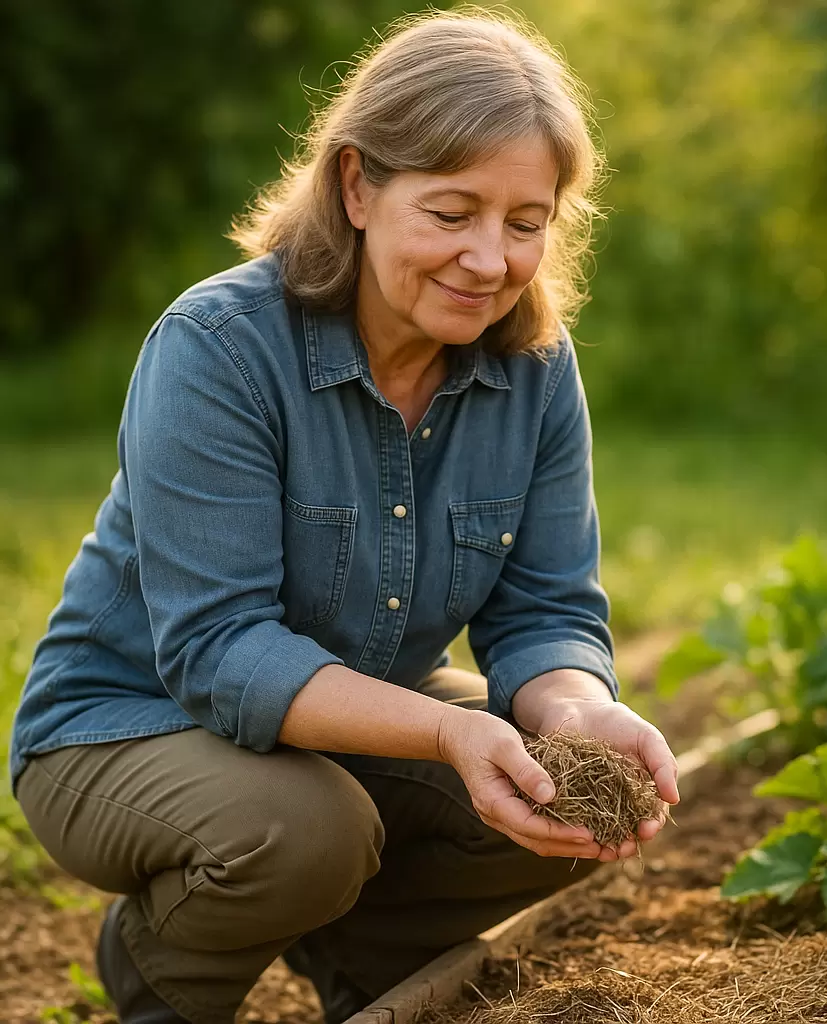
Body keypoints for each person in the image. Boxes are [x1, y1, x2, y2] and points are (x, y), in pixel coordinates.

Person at [9, 10, 680, 1024]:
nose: (490, 260)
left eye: (525, 221)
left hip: (353, 728)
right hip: (127, 724)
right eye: (451, 213)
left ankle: (358, 964)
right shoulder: (220, 347)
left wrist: (576, 711)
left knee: (569, 795)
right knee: (306, 831)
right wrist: (448, 738)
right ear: (357, 186)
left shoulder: (533, 369)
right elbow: (220, 649)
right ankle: (158, 978)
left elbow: (545, 610)